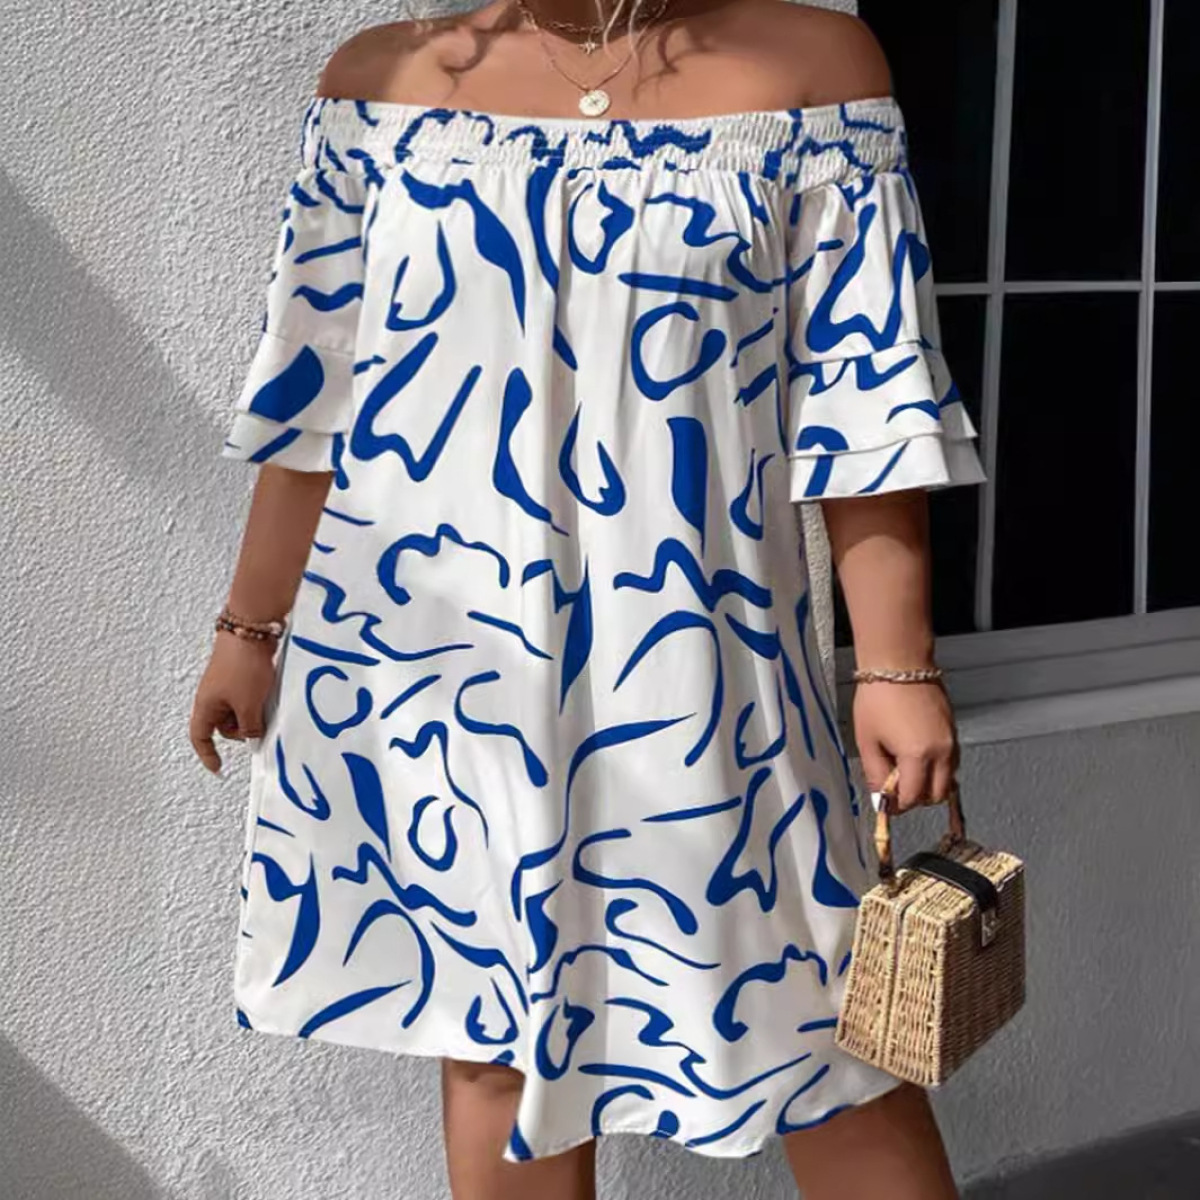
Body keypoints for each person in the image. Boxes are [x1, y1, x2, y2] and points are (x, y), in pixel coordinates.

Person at [189, 2, 985, 1196]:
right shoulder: (380, 83)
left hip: (704, 666)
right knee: (495, 1036)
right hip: (433, 663)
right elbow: (314, 392)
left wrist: (896, 662)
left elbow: (867, 395)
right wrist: (249, 630)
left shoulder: (813, 67)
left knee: (826, 1033)